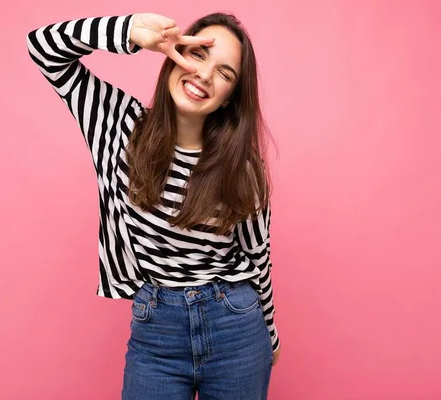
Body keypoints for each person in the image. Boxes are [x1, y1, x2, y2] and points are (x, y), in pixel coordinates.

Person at [26, 11, 281, 399]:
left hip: (236, 327)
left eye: (225, 73)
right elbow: (43, 47)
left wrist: (270, 335)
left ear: (231, 97)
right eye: (198, 54)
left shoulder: (242, 165)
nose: (205, 75)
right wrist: (129, 32)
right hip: (156, 329)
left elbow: (257, 254)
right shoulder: (118, 123)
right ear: (175, 52)